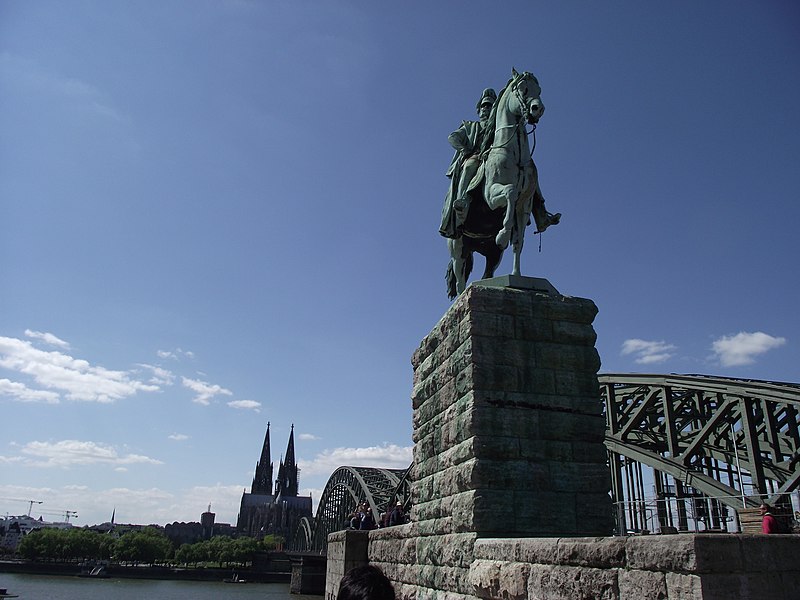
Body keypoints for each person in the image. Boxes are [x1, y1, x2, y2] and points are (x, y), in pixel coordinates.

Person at [440, 88, 496, 239]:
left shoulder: (500, 129)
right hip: (475, 157)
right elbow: (452, 137)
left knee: (527, 170)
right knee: (470, 166)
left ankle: (539, 213)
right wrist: (464, 149)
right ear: (479, 110)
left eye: (490, 106)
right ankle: (463, 201)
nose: (486, 109)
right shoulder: (470, 126)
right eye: (484, 106)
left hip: (494, 159)